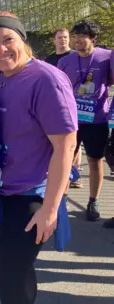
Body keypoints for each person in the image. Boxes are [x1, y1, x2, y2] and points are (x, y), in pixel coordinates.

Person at [0, 11, 77, 304]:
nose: (1, 50)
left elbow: (65, 146)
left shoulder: (47, 80)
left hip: (31, 196)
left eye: (8, 40)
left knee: (9, 275)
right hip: (1, 192)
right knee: (19, 273)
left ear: (22, 39)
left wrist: (49, 209)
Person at [58, 20, 114, 221]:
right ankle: (61, 199)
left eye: (82, 36)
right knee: (64, 159)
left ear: (93, 38)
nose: (77, 40)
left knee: (94, 159)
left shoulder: (107, 57)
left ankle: (93, 201)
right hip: (70, 119)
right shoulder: (65, 61)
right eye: (75, 36)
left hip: (97, 119)